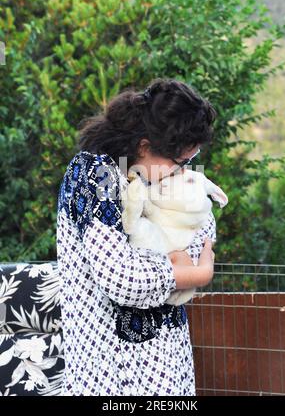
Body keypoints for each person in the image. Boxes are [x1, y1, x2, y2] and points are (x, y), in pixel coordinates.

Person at [56, 77, 217, 396]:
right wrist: (193, 272)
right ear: (145, 146)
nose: (186, 172)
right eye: (181, 162)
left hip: (168, 363)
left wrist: (182, 267)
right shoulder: (96, 174)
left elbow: (204, 229)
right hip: (112, 371)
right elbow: (122, 279)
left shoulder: (156, 172)